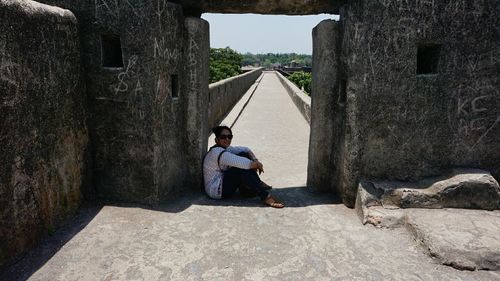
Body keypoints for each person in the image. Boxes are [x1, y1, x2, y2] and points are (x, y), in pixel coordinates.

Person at [203, 125, 284, 208]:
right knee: (239, 169)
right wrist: (256, 164)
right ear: (216, 140)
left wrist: (255, 160)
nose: (227, 139)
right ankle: (265, 196)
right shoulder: (217, 153)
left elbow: (246, 150)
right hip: (216, 190)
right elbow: (243, 163)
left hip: (223, 181)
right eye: (223, 137)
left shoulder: (226, 149)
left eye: (229, 137)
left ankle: (250, 188)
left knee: (243, 154)